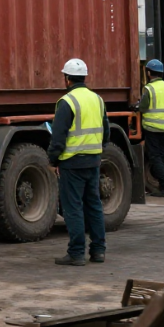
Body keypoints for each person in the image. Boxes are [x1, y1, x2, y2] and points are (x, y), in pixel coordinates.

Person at [47, 58, 110, 266]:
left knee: (73, 207)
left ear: (67, 79)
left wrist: (52, 160)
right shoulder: (97, 99)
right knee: (94, 205)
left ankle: (76, 253)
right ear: (84, 77)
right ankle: (98, 251)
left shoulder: (67, 102)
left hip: (72, 163)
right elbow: (106, 131)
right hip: (93, 160)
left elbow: (58, 137)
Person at [138, 58, 164, 194]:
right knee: (163, 153)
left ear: (149, 73)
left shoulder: (149, 89)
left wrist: (136, 107)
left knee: (154, 156)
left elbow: (143, 107)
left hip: (152, 127)